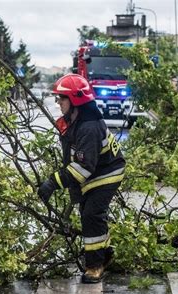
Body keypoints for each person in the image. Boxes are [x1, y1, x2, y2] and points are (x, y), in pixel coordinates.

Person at [38, 74, 125, 283]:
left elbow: (83, 168)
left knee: (91, 215)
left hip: (107, 173)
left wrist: (53, 182)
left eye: (62, 98)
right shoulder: (74, 121)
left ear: (75, 100)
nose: (58, 103)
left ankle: (95, 267)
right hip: (94, 172)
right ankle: (106, 254)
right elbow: (72, 158)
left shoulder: (88, 127)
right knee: (90, 214)